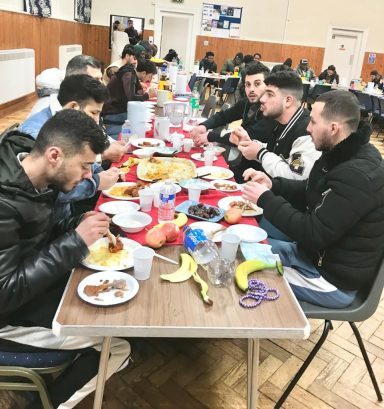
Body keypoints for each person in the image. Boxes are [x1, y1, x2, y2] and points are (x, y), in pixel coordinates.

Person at [0, 109, 131, 408]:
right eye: (85, 166)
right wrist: (74, 241)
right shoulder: (4, 202)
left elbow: (33, 239)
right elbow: (5, 292)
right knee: (116, 345)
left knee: (112, 304)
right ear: (55, 155)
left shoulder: (32, 173)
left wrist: (74, 225)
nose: (89, 175)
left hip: (28, 295)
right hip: (6, 318)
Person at [241, 90, 384, 308]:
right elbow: (311, 189)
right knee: (239, 250)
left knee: (243, 274)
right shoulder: (340, 150)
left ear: (333, 128)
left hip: (331, 280)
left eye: (314, 122)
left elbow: (312, 233)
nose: (308, 128)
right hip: (311, 257)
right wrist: (273, 185)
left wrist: (266, 199)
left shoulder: (357, 175)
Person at [19, 74, 120, 219]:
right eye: (94, 112)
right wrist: (96, 182)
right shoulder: (34, 133)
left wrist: (100, 171)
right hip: (50, 221)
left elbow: (85, 156)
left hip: (63, 217)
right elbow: (53, 190)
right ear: (73, 106)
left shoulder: (69, 122)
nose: (97, 120)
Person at [190, 63, 276, 181]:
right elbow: (224, 116)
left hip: (259, 175)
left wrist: (210, 136)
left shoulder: (271, 111)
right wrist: (204, 126)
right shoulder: (246, 103)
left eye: (257, 84)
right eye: (247, 84)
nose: (251, 89)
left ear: (268, 85)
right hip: (243, 165)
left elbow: (243, 137)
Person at [231, 70, 320, 180]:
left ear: (287, 100)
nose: (262, 99)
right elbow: (279, 153)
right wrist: (250, 143)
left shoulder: (306, 132)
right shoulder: (282, 120)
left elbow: (295, 176)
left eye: (270, 94)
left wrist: (260, 153)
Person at [102, 51, 156, 139]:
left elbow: (131, 92)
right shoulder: (128, 74)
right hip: (112, 113)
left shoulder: (130, 72)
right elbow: (131, 98)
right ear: (144, 73)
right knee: (141, 121)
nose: (149, 80)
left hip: (115, 109)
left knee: (143, 117)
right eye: (150, 76)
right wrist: (148, 95)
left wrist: (139, 86)